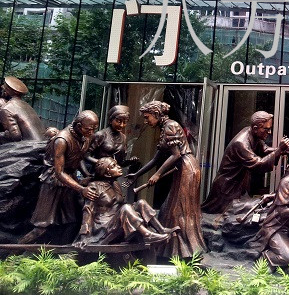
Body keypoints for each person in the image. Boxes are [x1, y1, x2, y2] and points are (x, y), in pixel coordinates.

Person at [126, 100, 206, 258]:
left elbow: (176, 155)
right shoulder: (165, 128)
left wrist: (157, 174)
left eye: (147, 117)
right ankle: (170, 249)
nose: (146, 121)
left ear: (156, 114)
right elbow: (156, 159)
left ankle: (185, 249)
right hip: (183, 168)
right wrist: (137, 174)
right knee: (171, 208)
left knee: (179, 208)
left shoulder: (170, 126)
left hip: (187, 168)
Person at [19, 110, 99, 244]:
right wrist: (81, 189)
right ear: (79, 126)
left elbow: (78, 156)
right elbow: (59, 172)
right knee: (41, 227)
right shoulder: (62, 140)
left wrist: (86, 175)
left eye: (94, 129)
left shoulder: (86, 136)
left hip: (70, 181)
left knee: (73, 221)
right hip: (53, 182)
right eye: (89, 129)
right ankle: (14, 251)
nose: (92, 132)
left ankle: (60, 252)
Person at [201, 111, 289, 214]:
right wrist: (279, 150)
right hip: (227, 189)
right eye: (266, 129)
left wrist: (282, 150)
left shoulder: (253, 133)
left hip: (238, 186)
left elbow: (264, 150)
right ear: (255, 128)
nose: (269, 132)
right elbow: (258, 164)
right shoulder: (241, 143)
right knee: (229, 216)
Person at [76, 157, 178, 246]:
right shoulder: (94, 186)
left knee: (141, 203)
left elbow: (121, 205)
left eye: (117, 164)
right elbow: (88, 210)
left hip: (117, 220)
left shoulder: (115, 184)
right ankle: (147, 235)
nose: (119, 167)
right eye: (114, 166)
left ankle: (161, 229)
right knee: (126, 208)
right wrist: (84, 236)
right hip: (104, 227)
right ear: (106, 173)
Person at [86, 105, 139, 169]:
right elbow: (86, 156)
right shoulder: (101, 135)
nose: (122, 125)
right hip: (98, 172)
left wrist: (130, 161)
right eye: (119, 121)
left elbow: (120, 163)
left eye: (125, 122)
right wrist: (103, 163)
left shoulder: (123, 137)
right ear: (111, 120)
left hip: (113, 173)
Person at [0, 76, 46, 143]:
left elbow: (16, 136)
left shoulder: (6, 109)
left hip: (29, 146)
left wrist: (3, 134)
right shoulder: (27, 106)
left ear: (6, 92)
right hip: (42, 143)